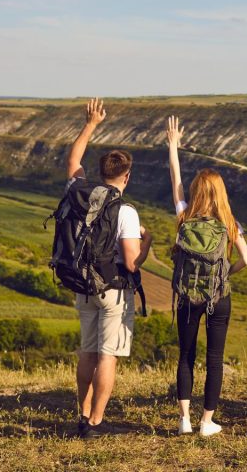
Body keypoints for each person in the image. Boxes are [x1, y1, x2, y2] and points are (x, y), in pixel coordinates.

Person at [66, 98, 153, 438]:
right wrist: (148, 243)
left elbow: (73, 159)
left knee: (87, 351)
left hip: (82, 283)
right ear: (126, 176)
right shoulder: (126, 212)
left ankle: (82, 413)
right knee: (108, 355)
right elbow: (131, 261)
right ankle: (96, 423)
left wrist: (91, 123)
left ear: (101, 172)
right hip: (113, 289)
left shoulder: (80, 193)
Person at [166, 116, 247, 437]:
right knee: (214, 359)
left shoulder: (184, 217)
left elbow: (175, 180)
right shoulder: (230, 223)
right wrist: (225, 274)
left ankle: (184, 420)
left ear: (196, 192)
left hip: (188, 295)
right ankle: (206, 422)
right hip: (218, 296)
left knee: (186, 355)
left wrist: (173, 146)